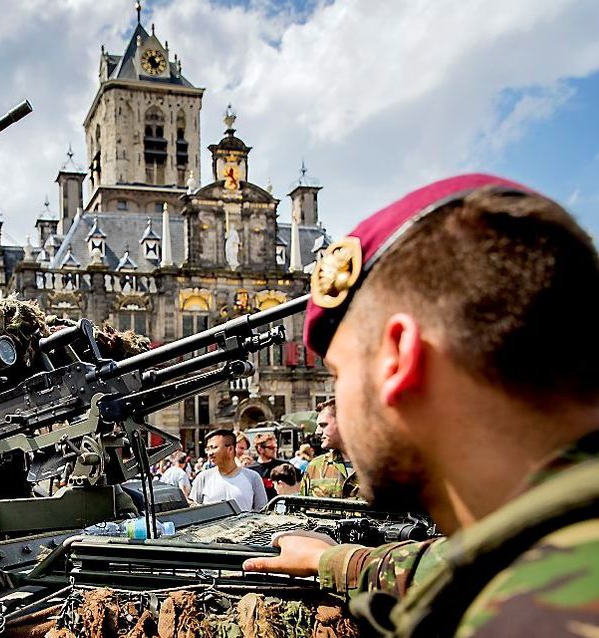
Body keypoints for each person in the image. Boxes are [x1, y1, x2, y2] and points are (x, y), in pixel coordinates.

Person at [242, 174, 599, 636]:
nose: (336, 414)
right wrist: (329, 558)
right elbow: (443, 562)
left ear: (396, 360)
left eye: (338, 374)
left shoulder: (526, 620)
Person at [189, 429, 267, 512]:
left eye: (214, 447)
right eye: (208, 449)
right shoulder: (203, 477)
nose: (210, 453)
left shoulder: (253, 477)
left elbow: (262, 512)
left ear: (230, 449)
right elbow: (192, 510)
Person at [298, 399, 359, 498]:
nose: (317, 432)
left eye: (323, 425)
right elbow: (300, 510)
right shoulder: (314, 467)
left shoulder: (381, 468)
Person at [247, 433, 294, 500]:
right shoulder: (251, 470)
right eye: (271, 448)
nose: (275, 450)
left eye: (275, 447)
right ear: (260, 449)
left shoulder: (284, 466)